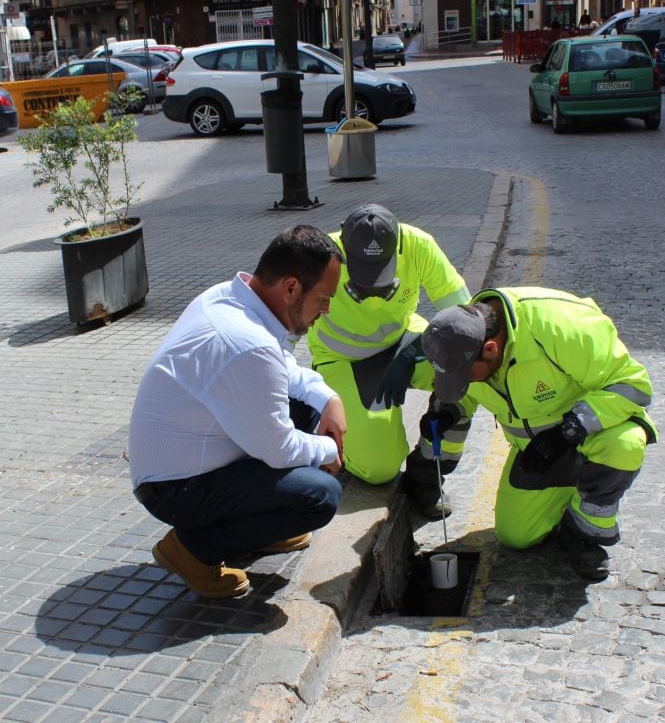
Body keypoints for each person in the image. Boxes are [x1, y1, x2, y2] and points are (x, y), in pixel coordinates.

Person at [129, 226, 347, 599]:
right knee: (320, 496)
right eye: (324, 298)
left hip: (186, 460)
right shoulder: (246, 344)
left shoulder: (230, 298)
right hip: (174, 488)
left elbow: (282, 370)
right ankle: (193, 551)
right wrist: (331, 450)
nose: (326, 310)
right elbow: (278, 449)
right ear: (291, 288)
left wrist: (329, 399)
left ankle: (265, 529)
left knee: (309, 410)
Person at [421, 287, 656, 582]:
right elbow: (461, 393)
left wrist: (569, 431)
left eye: (465, 376)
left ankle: (582, 533)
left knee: (624, 444)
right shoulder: (459, 338)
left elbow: (632, 385)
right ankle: (566, 489)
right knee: (516, 536)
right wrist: (447, 413)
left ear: (491, 349)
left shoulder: (562, 327)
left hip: (592, 434)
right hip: (538, 452)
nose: (463, 381)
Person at [306, 204, 474, 519]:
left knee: (471, 378)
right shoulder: (320, 255)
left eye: (380, 279)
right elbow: (281, 338)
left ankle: (427, 472)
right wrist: (312, 395)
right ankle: (345, 426)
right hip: (343, 358)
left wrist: (414, 353)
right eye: (363, 280)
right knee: (378, 469)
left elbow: (465, 317)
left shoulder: (419, 245)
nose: (371, 292)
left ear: (398, 248)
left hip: (403, 341)